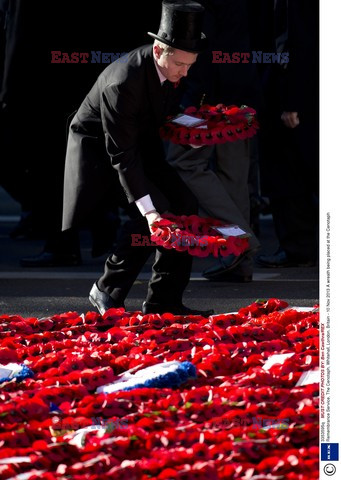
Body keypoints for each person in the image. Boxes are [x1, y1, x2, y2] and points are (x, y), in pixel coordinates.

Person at [62, 0, 214, 316]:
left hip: (139, 146)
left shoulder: (171, 69)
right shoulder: (123, 81)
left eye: (190, 65)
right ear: (159, 51)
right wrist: (150, 212)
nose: (185, 73)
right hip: (103, 154)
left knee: (185, 205)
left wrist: (197, 132)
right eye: (180, 65)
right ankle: (106, 290)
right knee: (150, 215)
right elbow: (121, 153)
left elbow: (166, 113)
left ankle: (164, 299)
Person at [165, 0, 262, 283]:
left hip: (209, 94)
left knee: (182, 160)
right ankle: (239, 259)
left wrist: (191, 98)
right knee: (234, 175)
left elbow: (203, 41)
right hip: (243, 86)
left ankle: (241, 239)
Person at [251, 0, 319, 268]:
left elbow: (291, 43)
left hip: (291, 96)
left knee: (289, 176)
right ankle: (299, 247)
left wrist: (290, 101)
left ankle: (297, 248)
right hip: (305, 91)